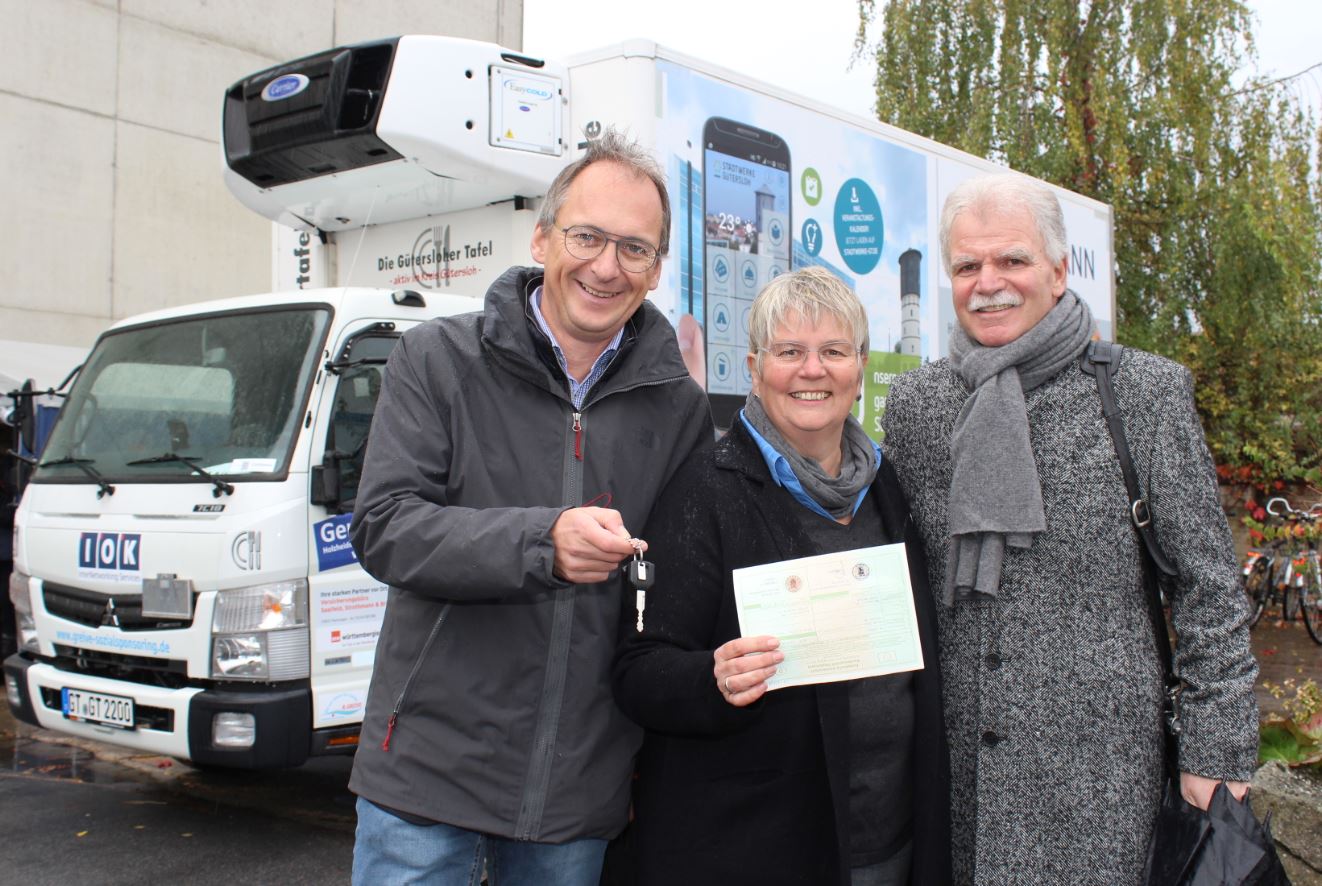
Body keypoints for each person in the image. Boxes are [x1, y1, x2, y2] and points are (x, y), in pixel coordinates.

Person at [347, 129, 714, 885]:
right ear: (543, 237)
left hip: (575, 796)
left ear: (655, 270)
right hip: (425, 781)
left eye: (634, 248)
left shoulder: (679, 407)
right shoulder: (436, 359)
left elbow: (681, 587)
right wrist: (542, 543)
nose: (606, 266)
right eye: (587, 236)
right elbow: (385, 527)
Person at [881, 173, 1259, 885]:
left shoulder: (1143, 395)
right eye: (967, 265)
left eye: (1012, 260)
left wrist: (1217, 751)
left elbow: (1208, 588)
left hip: (1105, 782)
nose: (988, 283)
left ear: (1058, 271)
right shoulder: (917, 405)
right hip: (958, 782)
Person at [613, 267, 951, 886]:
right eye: (789, 351)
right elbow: (639, 670)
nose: (812, 370)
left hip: (891, 841)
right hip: (761, 850)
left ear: (860, 368)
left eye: (833, 352)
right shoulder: (705, 490)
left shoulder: (888, 488)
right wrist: (712, 677)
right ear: (754, 367)